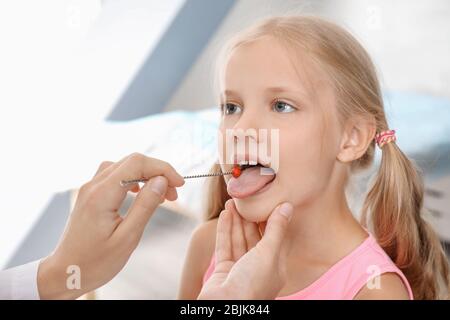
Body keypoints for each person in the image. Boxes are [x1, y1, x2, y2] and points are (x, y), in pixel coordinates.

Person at [178, 16, 450, 300]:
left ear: (352, 137)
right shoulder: (210, 246)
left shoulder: (374, 290)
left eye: (281, 105)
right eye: (231, 107)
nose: (241, 129)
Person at [0, 153, 293, 299]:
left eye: (282, 106)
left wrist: (63, 272)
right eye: (231, 107)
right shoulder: (209, 240)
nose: (248, 127)